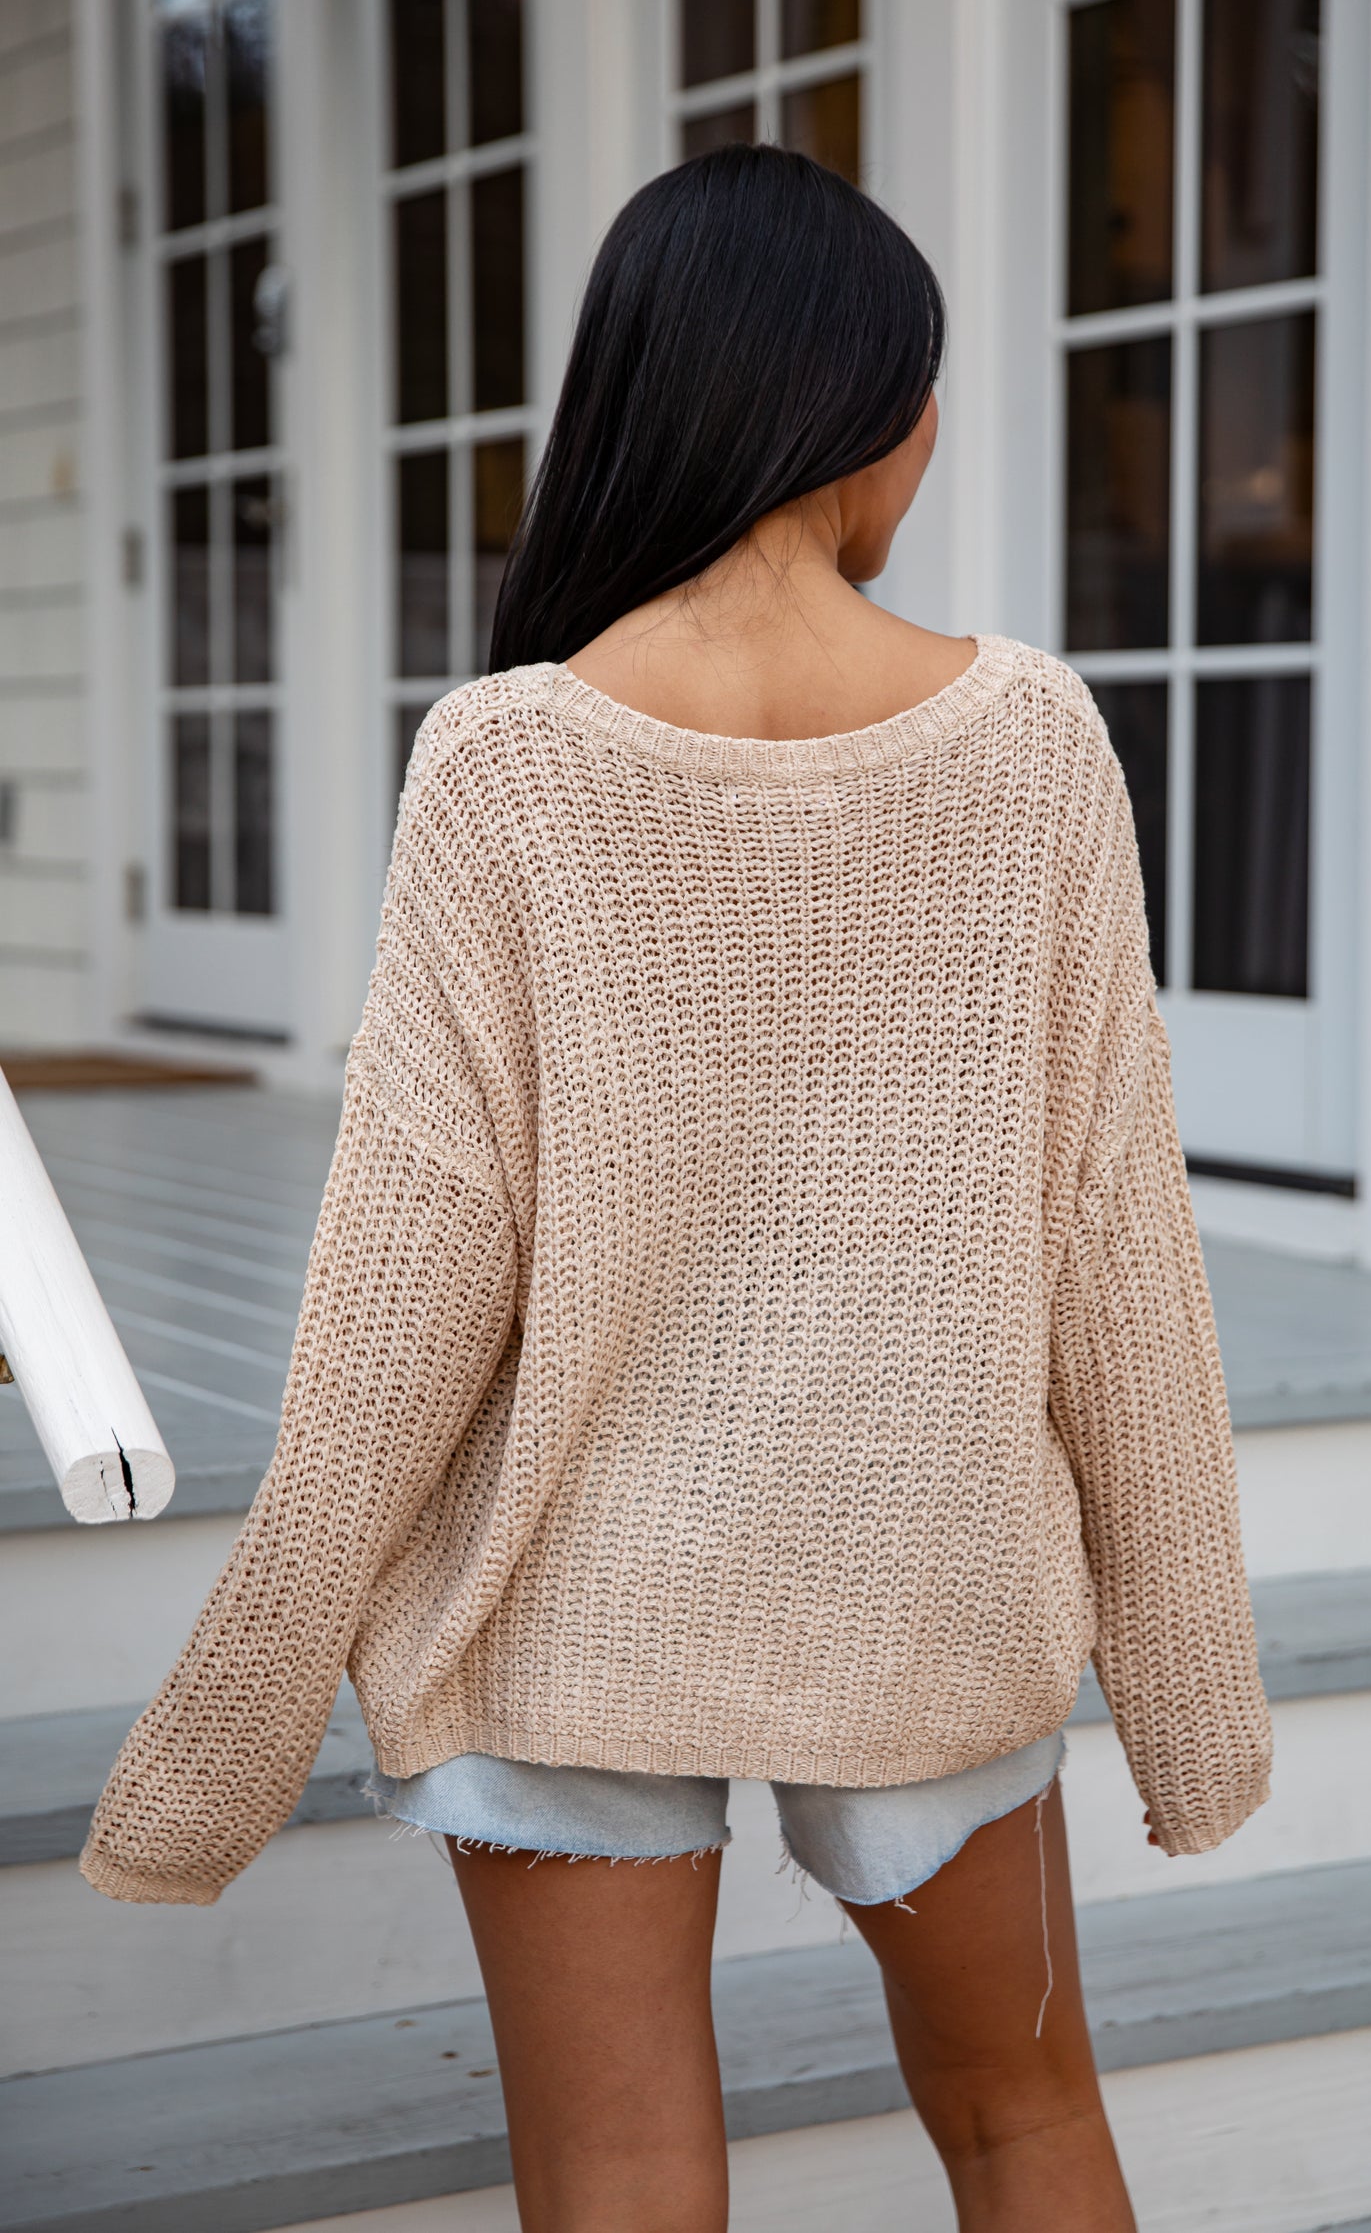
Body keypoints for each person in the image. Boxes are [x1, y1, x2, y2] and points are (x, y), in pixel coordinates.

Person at [82, 146, 1273, 2233]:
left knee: (622, 2178)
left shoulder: (507, 758)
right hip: (930, 1582)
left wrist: (233, 1717)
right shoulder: (1035, 743)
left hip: (567, 1594)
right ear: (865, 410)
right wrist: (1193, 1700)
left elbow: (405, 1278)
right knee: (1024, 2118)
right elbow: (1119, 1250)